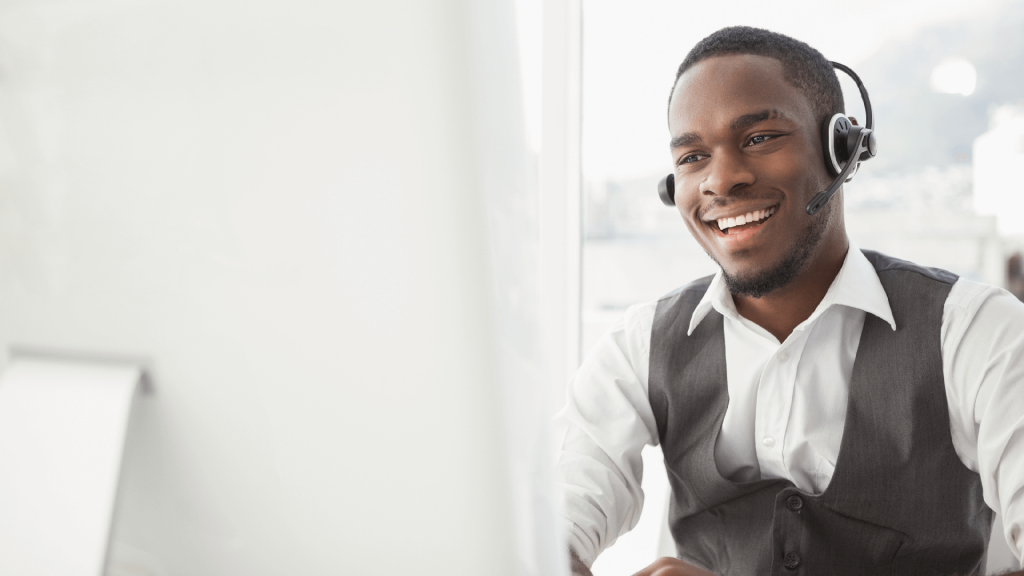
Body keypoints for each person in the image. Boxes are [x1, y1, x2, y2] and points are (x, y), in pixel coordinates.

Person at [557, 26, 1024, 576]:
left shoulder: (976, 331)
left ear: (842, 150)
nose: (721, 180)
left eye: (759, 138)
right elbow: (542, 533)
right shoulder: (639, 346)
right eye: (692, 156)